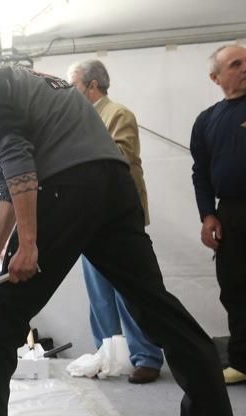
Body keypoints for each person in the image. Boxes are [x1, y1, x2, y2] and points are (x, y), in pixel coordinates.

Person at [0, 61, 240, 416]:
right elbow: (10, 184)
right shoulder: (19, 81)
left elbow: (19, 165)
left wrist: (28, 244)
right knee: (156, 305)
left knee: (6, 315)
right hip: (115, 186)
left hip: (67, 187)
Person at [68, 59, 164, 384]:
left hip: (118, 220)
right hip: (89, 220)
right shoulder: (78, 120)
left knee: (129, 292)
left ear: (93, 86)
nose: (70, 93)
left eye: (75, 86)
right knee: (99, 295)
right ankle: (107, 354)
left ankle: (147, 356)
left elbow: (120, 157)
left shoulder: (118, 114)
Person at [190, 44, 246, 386]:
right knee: (236, 289)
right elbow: (201, 173)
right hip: (231, 214)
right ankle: (241, 361)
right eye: (236, 64)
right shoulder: (207, 120)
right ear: (216, 77)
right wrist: (208, 215)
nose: (244, 69)